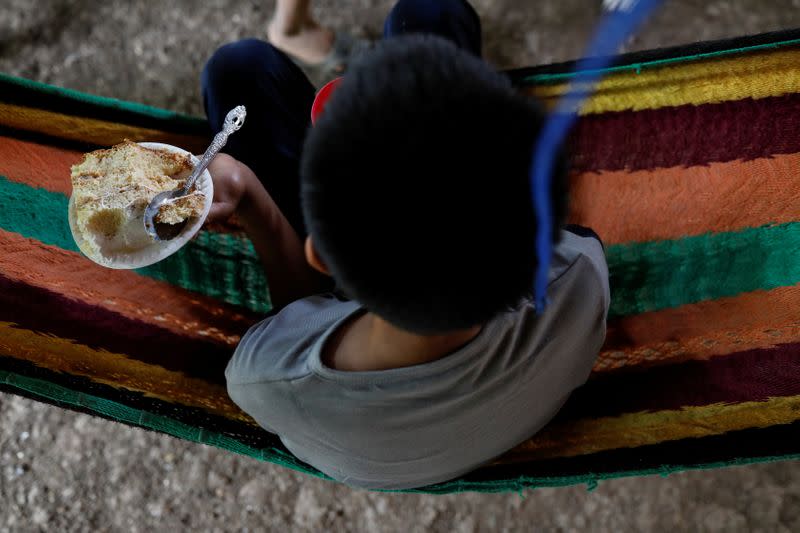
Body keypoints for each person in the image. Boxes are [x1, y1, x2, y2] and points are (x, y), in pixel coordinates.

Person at [201, 0, 610, 490]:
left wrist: (253, 202)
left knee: (238, 70)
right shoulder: (579, 275)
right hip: (491, 406)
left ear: (324, 257)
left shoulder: (268, 380)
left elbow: (302, 316)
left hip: (365, 384)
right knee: (431, 11)